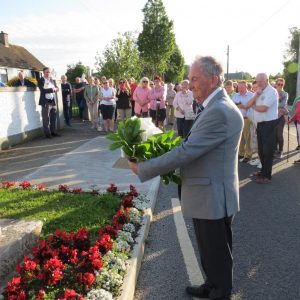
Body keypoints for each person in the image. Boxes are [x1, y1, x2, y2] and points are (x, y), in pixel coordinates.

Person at [129, 56, 243, 300]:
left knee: (217, 252)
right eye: (189, 79)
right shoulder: (215, 105)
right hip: (209, 192)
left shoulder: (219, 110)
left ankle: (220, 292)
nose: (189, 85)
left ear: (213, 79)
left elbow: (188, 151)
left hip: (212, 195)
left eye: (194, 79)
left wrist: (145, 167)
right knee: (209, 249)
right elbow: (192, 144)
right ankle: (211, 284)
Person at [245, 73, 278, 184]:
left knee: (268, 151)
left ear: (267, 80)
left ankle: (267, 176)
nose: (258, 83)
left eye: (261, 81)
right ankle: (263, 171)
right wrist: (255, 95)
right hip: (260, 124)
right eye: (257, 81)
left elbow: (263, 108)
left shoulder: (272, 92)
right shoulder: (259, 91)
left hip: (269, 124)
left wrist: (253, 106)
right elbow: (247, 104)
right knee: (261, 150)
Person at [232, 81, 254, 162]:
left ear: (246, 87)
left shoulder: (251, 95)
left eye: (242, 87)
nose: (240, 89)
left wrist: (244, 106)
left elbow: (253, 106)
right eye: (239, 87)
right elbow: (232, 105)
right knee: (240, 137)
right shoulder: (235, 95)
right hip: (237, 119)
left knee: (248, 137)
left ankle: (248, 155)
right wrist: (238, 106)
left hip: (247, 118)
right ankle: (241, 153)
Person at [38, 67, 60, 138]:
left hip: (53, 101)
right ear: (43, 72)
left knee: (53, 117)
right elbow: (43, 90)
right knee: (46, 118)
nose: (48, 73)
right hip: (45, 102)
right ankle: (48, 134)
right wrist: (52, 90)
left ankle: (53, 132)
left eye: (49, 72)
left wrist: (56, 89)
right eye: (47, 72)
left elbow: (57, 87)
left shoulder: (52, 80)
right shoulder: (41, 80)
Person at [274, 78, 289, 158]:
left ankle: (281, 150)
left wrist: (279, 98)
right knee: (274, 134)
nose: (280, 86)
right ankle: (275, 149)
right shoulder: (272, 93)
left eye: (281, 84)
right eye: (278, 84)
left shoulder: (285, 94)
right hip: (272, 116)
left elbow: (282, 105)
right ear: (276, 84)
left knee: (279, 134)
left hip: (281, 116)